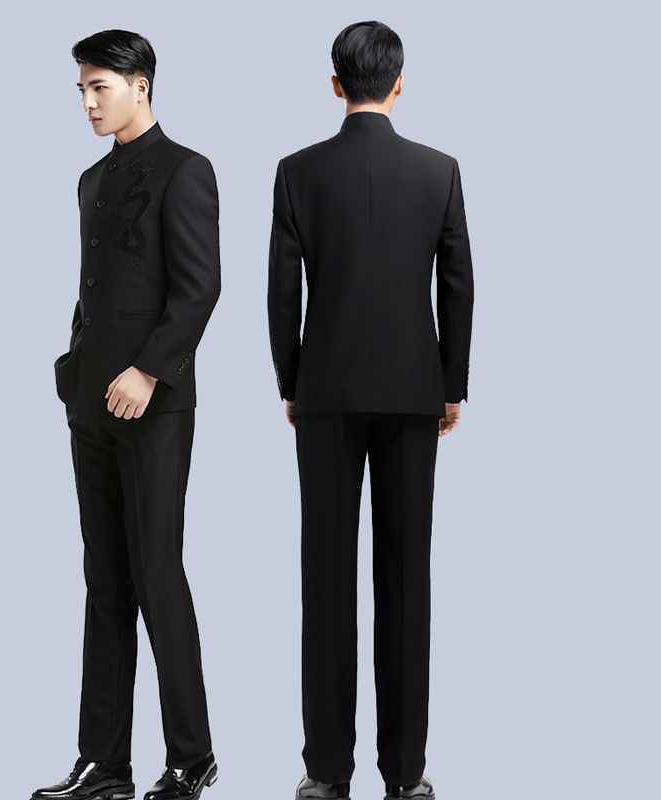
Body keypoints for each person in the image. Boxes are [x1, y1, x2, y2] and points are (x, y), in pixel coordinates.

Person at [267, 20, 474, 800]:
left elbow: (281, 290)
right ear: (399, 83)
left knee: (324, 578)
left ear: (335, 85)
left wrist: (292, 382)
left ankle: (326, 774)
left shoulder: (297, 172)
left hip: (325, 393)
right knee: (406, 581)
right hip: (414, 394)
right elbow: (458, 283)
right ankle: (406, 774)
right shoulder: (438, 172)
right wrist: (450, 385)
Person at [32, 29, 220, 800]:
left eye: (99, 87)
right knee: (104, 579)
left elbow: (200, 287)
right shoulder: (90, 181)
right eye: (81, 89)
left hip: (155, 406)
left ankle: (192, 758)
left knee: (157, 573)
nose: (87, 102)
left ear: (140, 85)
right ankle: (104, 763)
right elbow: (94, 289)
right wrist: (73, 366)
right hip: (90, 407)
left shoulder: (187, 170)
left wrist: (147, 370)